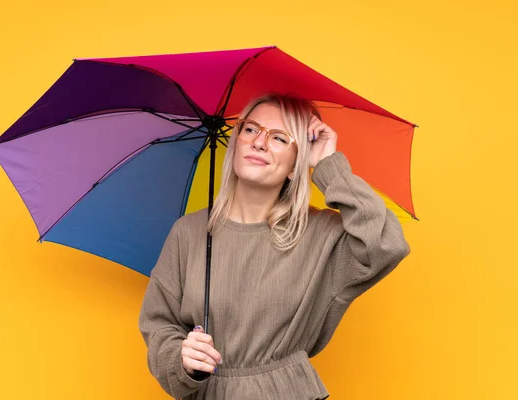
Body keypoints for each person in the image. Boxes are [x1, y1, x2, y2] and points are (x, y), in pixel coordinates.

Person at [138, 93, 410, 399]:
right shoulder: (189, 232)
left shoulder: (322, 234)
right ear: (236, 142)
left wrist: (329, 166)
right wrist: (183, 358)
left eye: (280, 138)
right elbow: (160, 324)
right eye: (251, 129)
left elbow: (386, 244)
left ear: (297, 165)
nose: (259, 142)